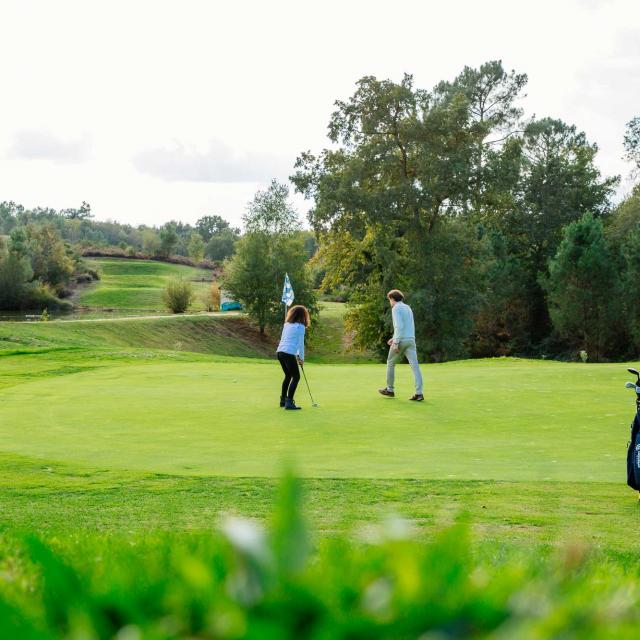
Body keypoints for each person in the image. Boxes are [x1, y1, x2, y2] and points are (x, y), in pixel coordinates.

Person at [379, 289, 424, 401]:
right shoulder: (407, 307)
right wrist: (394, 338)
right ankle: (419, 393)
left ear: (392, 299)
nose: (389, 302)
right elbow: (406, 326)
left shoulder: (396, 308)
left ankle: (390, 390)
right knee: (415, 367)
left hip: (401, 341)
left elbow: (399, 326)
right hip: (411, 340)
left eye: (389, 299)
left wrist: (396, 342)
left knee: (390, 363)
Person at [276, 304, 310, 410]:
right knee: (296, 377)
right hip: (289, 353)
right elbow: (300, 344)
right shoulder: (300, 327)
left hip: (280, 352)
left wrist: (298, 357)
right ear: (303, 316)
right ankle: (289, 403)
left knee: (288, 376)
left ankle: (283, 400)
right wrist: (301, 358)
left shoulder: (287, 325)